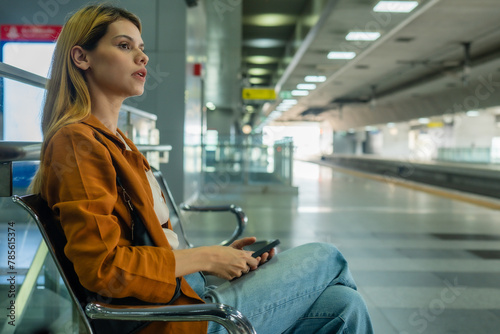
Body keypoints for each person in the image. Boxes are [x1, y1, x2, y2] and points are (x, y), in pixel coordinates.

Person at [30, 4, 374, 334]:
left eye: (142, 47)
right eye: (124, 46)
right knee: (328, 256)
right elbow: (103, 269)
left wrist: (221, 261)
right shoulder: (78, 142)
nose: (142, 56)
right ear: (81, 57)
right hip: (168, 319)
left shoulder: (116, 138)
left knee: (344, 305)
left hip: (184, 293)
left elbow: (148, 243)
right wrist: (206, 258)